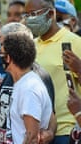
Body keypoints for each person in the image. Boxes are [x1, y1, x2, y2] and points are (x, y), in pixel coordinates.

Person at [23, 0, 81, 143]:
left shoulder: (74, 42)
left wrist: (79, 69)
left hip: (65, 129)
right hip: (38, 131)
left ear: (50, 14)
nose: (29, 19)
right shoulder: (31, 46)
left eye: (33, 14)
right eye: (27, 15)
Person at [0, 22, 56, 144]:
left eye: (2, 53)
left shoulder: (29, 87)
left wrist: (49, 133)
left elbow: (32, 137)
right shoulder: (22, 80)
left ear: (8, 57)